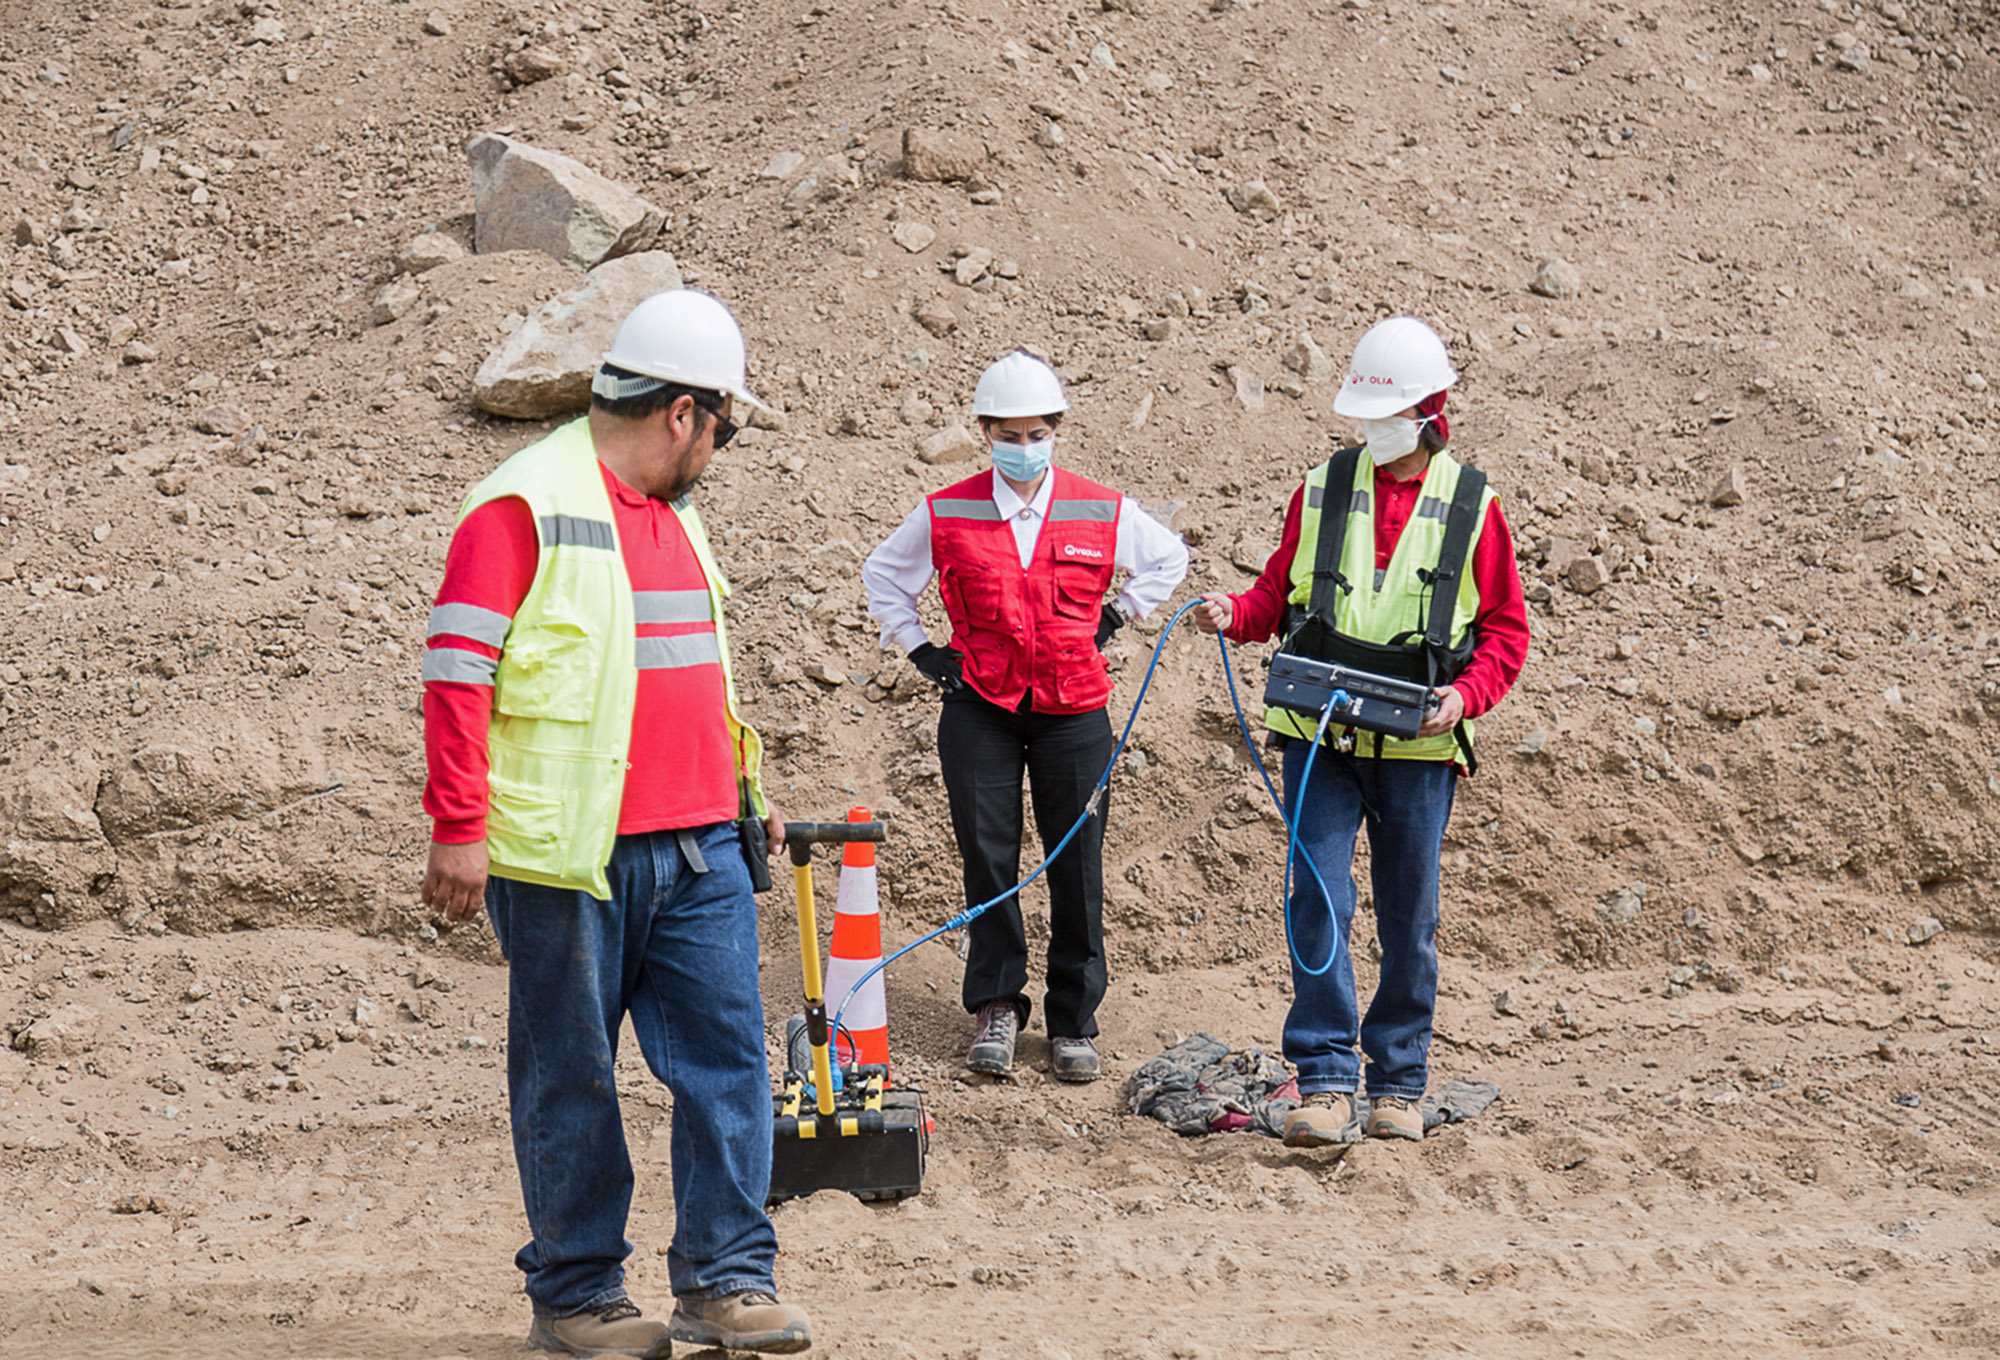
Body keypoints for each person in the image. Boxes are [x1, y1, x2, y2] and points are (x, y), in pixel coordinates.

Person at [419, 289, 812, 1358]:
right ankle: (579, 1296)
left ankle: (726, 1278)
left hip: (700, 847)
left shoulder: (677, 518)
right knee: (570, 1073)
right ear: (682, 414)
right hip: (570, 858)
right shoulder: (523, 503)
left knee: (728, 1065)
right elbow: (458, 674)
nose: (720, 451)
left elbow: (692, 672)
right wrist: (458, 826)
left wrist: (747, 793)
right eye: (722, 428)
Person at [1193, 316, 1528, 1149]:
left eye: (1389, 414)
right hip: (1321, 738)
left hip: (1418, 749)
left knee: (1409, 914)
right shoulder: (1321, 488)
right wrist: (1231, 615)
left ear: (1430, 410)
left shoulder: (1472, 505)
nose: (1374, 431)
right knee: (1321, 900)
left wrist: (1466, 697)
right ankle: (1329, 1078)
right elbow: (1277, 597)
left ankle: (1400, 1084)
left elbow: (1505, 633)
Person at [862, 350, 1189, 1082]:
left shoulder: (1098, 508)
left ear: (1057, 431)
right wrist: (920, 651)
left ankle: (1074, 1021)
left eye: (1036, 433)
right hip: (981, 707)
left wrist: (1119, 614)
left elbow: (1169, 560)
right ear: (984, 433)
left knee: (1077, 865)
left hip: (1074, 711)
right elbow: (884, 574)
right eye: (1008, 435)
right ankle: (997, 1007)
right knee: (989, 859)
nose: (1023, 447)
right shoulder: (947, 510)